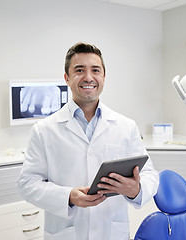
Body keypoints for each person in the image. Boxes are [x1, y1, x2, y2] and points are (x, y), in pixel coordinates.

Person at [17, 42, 159, 240]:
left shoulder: (126, 126)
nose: (88, 77)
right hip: (66, 233)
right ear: (67, 78)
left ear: (103, 77)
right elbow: (27, 183)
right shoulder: (44, 130)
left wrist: (136, 189)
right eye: (79, 70)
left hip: (112, 233)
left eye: (95, 70)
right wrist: (68, 196)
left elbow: (150, 174)